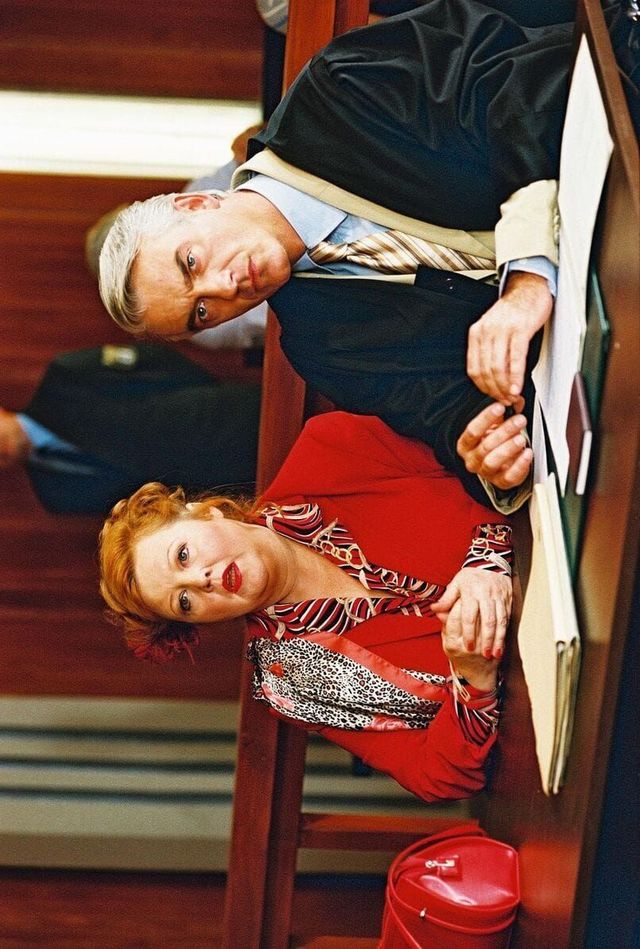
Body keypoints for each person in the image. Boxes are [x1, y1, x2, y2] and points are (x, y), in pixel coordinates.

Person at [98, 0, 587, 511]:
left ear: (197, 203)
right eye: (201, 313)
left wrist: (528, 278)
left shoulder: (337, 88)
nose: (223, 290)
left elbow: (517, 78)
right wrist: (484, 450)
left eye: (191, 263)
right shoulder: (322, 346)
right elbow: (447, 412)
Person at [99, 411, 514, 803]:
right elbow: (439, 777)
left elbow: (486, 450)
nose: (200, 580)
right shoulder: (291, 684)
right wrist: (473, 678)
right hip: (533, 702)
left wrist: (488, 559)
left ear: (203, 512)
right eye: (185, 602)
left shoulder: (330, 449)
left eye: (183, 556)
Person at [1, 342, 261, 514]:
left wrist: (199, 402)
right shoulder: (54, 495)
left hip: (229, 420)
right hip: (231, 487)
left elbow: (153, 358)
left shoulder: (64, 379)